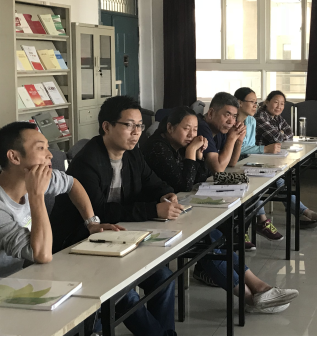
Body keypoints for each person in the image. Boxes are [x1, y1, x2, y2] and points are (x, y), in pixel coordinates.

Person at [142, 106, 299, 314]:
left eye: (194, 129)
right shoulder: (157, 148)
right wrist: (191, 153)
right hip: (154, 216)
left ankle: (259, 289)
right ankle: (252, 298)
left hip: (176, 209)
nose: (192, 134)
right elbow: (185, 184)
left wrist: (197, 157)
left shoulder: (178, 145)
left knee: (216, 236)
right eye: (186, 129)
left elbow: (199, 177)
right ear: (170, 128)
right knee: (208, 241)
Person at [50, 96, 181, 336]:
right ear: (107, 126)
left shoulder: (132, 154)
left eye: (139, 125)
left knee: (163, 277)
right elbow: (99, 211)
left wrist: (166, 194)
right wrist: (152, 210)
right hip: (79, 243)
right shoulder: (87, 161)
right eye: (129, 125)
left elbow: (153, 181)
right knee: (125, 295)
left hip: (117, 237)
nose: (136, 132)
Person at [0, 122, 122, 278]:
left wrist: (92, 223)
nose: (50, 155)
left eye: (47, 147)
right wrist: (36, 195)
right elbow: (42, 255)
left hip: (21, 275)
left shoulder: (38, 177)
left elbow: (72, 184)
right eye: (40, 148)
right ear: (14, 157)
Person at [251, 89, 317, 231]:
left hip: (269, 159)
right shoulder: (260, 116)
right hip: (257, 159)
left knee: (281, 183)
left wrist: (281, 133)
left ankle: (303, 214)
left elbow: (290, 133)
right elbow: (277, 137)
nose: (279, 106)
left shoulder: (276, 117)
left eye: (282, 104)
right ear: (267, 102)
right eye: (276, 102)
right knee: (280, 183)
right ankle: (304, 213)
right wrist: (280, 133)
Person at [197, 92, 246, 174]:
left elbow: (231, 163)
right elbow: (218, 169)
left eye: (234, 116)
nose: (231, 121)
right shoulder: (201, 126)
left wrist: (238, 140)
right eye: (227, 115)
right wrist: (231, 138)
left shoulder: (219, 128)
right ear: (211, 113)